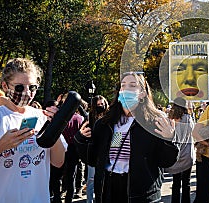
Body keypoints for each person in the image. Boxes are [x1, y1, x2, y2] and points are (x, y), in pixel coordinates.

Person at [75, 71, 178, 202]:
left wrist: (169, 139)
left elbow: (167, 162)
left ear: (142, 93)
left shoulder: (154, 122)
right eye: (123, 86)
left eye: (132, 85)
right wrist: (81, 139)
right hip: (109, 188)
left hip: (141, 193)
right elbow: (93, 159)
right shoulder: (106, 123)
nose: (126, 89)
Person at [0, 58, 66, 202]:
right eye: (20, 87)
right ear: (5, 86)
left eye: (33, 87)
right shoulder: (0, 116)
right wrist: (1, 146)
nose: (27, 93)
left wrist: (55, 128)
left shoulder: (42, 117)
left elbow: (58, 162)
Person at [165, 97, 195, 203]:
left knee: (176, 182)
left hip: (176, 154)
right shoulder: (188, 118)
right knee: (186, 183)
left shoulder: (171, 119)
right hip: (187, 154)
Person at [85, 95, 109, 203]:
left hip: (108, 153)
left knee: (105, 180)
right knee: (91, 179)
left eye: (102, 104)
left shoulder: (110, 117)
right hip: (94, 152)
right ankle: (89, 200)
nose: (100, 106)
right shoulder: (90, 117)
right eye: (98, 104)